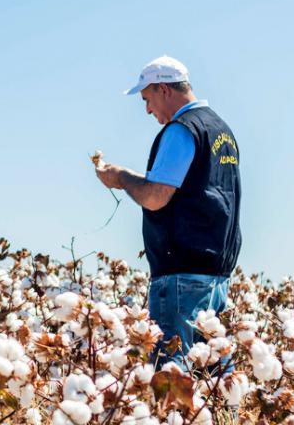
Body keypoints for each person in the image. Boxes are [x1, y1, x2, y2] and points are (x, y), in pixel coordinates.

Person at [95, 56, 241, 372]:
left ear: (163, 89)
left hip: (181, 275)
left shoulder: (181, 129)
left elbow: (156, 197)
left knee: (173, 380)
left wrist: (120, 177)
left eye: (147, 99)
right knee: (215, 379)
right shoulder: (221, 132)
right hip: (216, 274)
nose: (148, 110)